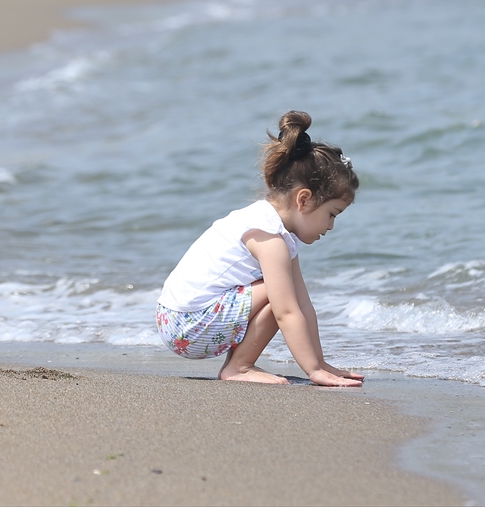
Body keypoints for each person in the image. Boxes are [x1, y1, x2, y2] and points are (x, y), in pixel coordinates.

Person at [156, 110, 364, 387]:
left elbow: (304, 305)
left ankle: (238, 364)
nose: (331, 226)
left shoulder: (275, 232)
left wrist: (321, 363)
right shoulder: (269, 237)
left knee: (285, 292)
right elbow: (287, 311)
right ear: (304, 200)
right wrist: (312, 371)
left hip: (179, 320)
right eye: (332, 214)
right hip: (189, 326)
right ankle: (239, 367)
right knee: (280, 294)